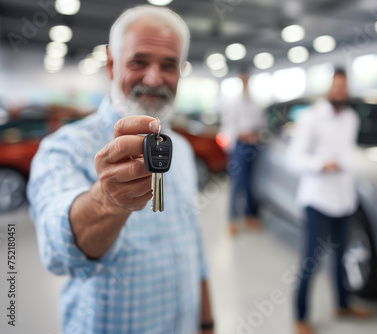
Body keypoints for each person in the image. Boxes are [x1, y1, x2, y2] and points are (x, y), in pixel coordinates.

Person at [27, 6, 214, 334]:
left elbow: (193, 246)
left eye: (168, 65)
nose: (154, 78)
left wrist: (207, 321)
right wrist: (106, 202)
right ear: (111, 64)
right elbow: (58, 251)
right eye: (139, 61)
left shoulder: (180, 149)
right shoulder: (63, 148)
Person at [286, 68, 372, 334]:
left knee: (342, 256)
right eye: (335, 88)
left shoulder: (351, 118)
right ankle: (300, 316)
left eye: (343, 89)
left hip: (344, 199)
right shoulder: (311, 118)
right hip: (317, 200)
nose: (339, 93)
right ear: (328, 88)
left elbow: (349, 152)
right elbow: (294, 158)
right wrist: (323, 164)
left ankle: (343, 304)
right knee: (311, 261)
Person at [220, 72, 265, 235]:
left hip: (253, 146)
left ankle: (249, 215)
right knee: (237, 183)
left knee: (250, 183)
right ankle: (232, 219)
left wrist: (255, 134)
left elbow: (260, 124)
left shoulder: (255, 104)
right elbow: (228, 127)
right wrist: (240, 134)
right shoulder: (234, 104)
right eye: (243, 81)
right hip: (239, 147)